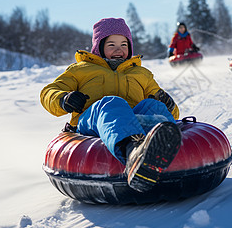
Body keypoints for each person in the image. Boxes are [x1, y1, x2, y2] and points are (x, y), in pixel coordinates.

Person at [40, 18, 181, 193]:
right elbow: (48, 92)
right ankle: (133, 154)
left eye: (124, 44)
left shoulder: (141, 73)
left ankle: (166, 152)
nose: (119, 50)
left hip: (130, 120)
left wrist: (168, 103)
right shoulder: (81, 70)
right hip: (92, 122)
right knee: (112, 102)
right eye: (111, 45)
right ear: (99, 47)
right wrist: (63, 99)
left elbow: (172, 112)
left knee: (154, 105)